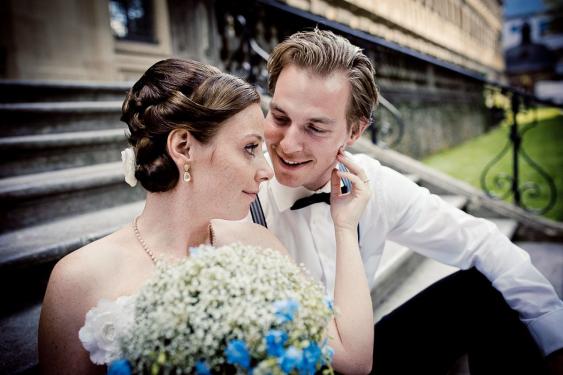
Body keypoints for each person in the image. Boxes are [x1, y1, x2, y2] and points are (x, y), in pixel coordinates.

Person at [249, 29, 563, 374]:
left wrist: (557, 340)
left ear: (355, 132)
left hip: (362, 362)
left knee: (481, 293)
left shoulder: (373, 185)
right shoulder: (241, 187)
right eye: (279, 117)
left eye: (315, 128)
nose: (288, 144)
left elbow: (482, 243)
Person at [37, 58, 374, 374]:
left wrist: (344, 226)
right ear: (184, 147)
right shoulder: (77, 280)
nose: (266, 171)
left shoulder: (259, 246)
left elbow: (353, 358)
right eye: (249, 148)